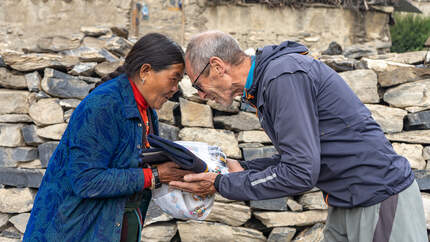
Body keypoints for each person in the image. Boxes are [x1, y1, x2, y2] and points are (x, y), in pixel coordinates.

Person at [170, 31, 428, 241]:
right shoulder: (269, 81)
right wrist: (244, 168)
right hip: (348, 200)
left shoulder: (283, 77)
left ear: (216, 66)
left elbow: (300, 172)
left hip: (378, 197)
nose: (201, 95)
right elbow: (296, 158)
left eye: (197, 85)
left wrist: (221, 184)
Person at [24, 33, 192, 242]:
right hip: (75, 231)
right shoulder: (104, 105)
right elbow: (86, 180)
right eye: (173, 79)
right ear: (146, 71)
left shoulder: (147, 112)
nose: (175, 89)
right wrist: (154, 176)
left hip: (114, 226)